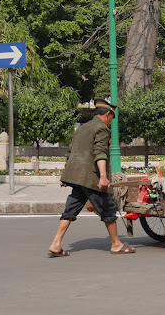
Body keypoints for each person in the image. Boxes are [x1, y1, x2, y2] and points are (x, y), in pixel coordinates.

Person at [48, 98, 136, 257]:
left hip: (77, 178)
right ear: (108, 114)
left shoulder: (82, 128)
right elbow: (100, 153)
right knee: (108, 209)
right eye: (112, 118)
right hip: (91, 178)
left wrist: (66, 175)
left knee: (71, 209)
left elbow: (71, 152)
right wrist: (103, 176)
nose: (111, 122)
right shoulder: (101, 128)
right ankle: (116, 244)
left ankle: (56, 243)